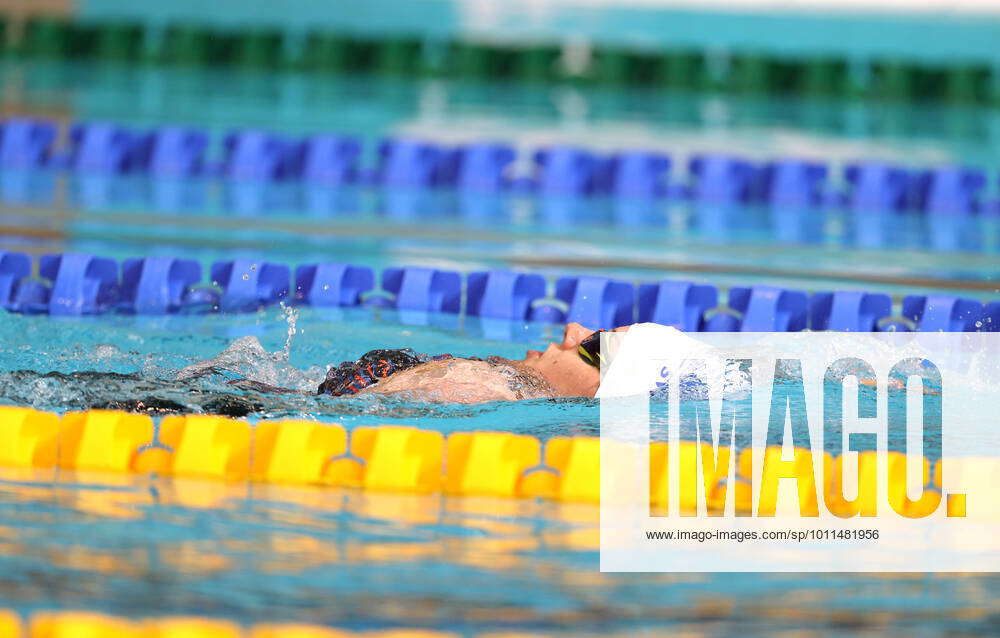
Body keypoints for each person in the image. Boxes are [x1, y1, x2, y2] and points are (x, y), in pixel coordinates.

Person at [318, 322, 628, 403]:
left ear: (597, 388)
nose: (574, 330)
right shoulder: (500, 382)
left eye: (597, 344)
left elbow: (329, 408)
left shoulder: (478, 385)